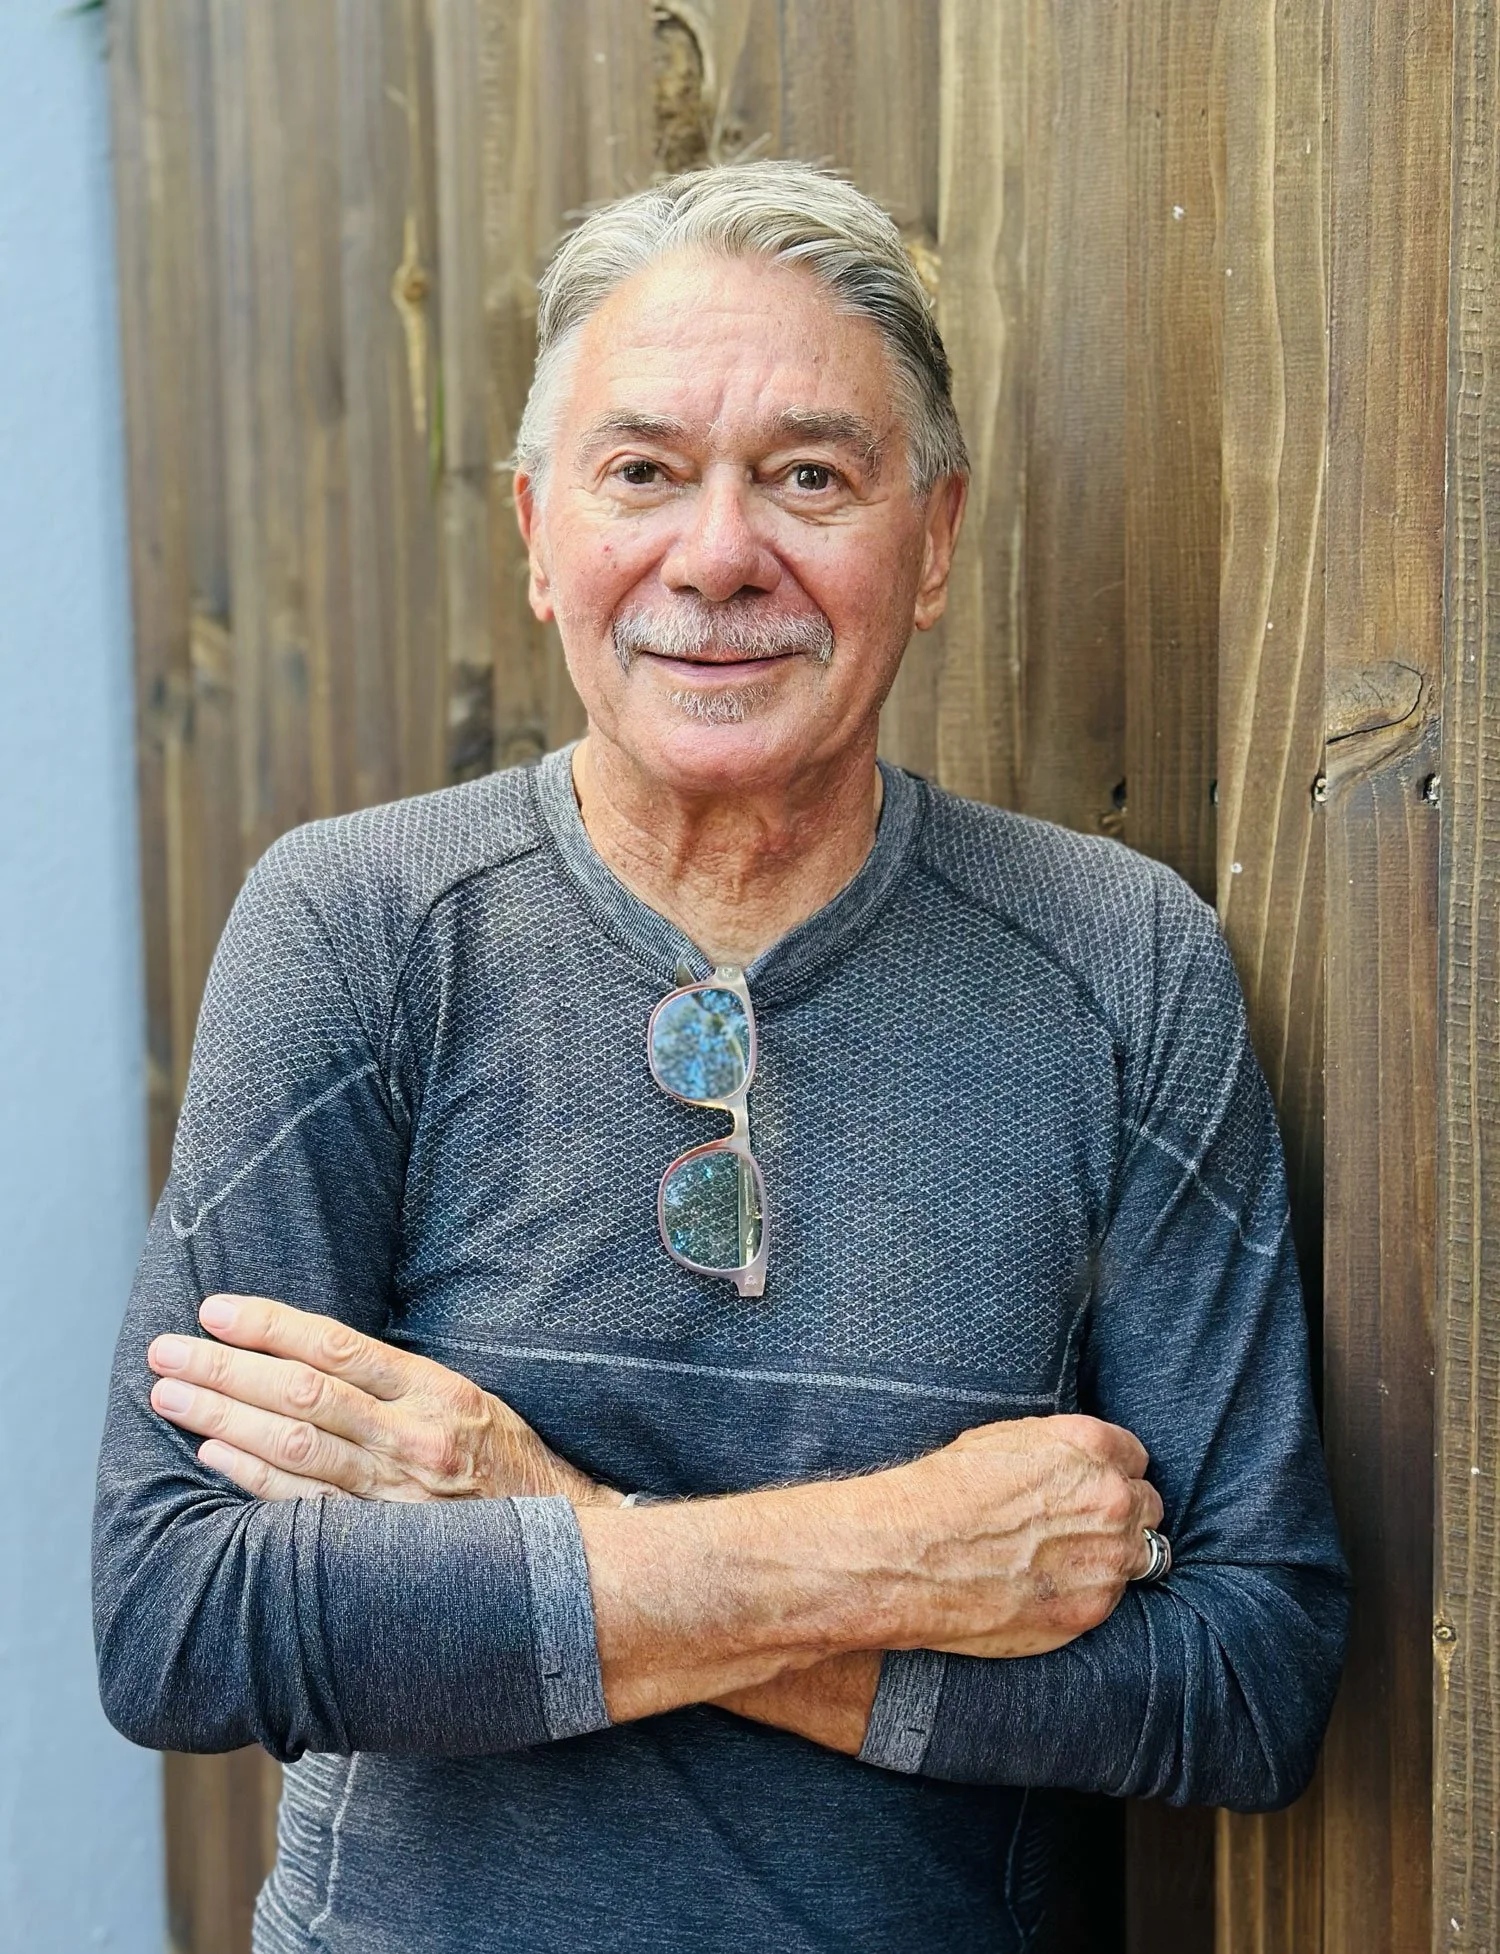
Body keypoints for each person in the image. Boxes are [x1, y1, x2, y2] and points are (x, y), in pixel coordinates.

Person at [94, 160, 1347, 1954]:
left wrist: (533, 1520)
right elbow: (181, 1619)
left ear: (932, 542)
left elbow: (1250, 1671)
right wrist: (899, 1557)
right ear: (538, 535)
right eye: (644, 472)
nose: (717, 552)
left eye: (811, 477)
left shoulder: (1118, 967)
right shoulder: (361, 927)